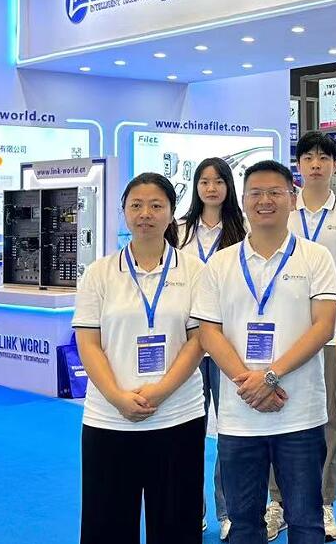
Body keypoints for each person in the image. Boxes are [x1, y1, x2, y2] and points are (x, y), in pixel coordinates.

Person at [192, 160, 336, 544]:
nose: (265, 200)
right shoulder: (221, 263)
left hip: (300, 413)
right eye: (256, 193)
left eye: (275, 192)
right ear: (243, 200)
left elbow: (323, 325)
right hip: (239, 416)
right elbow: (209, 332)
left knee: (306, 521)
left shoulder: (316, 257)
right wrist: (250, 383)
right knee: (244, 523)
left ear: (292, 199)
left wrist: (271, 376)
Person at [72, 173, 207, 544]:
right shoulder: (99, 273)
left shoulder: (195, 271)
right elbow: (88, 343)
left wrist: (160, 391)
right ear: (124, 212)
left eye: (156, 205)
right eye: (136, 205)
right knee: (107, 525)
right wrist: (117, 397)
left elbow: (198, 340)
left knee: (177, 524)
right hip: (109, 417)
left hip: (178, 414)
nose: (145, 213)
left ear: (171, 213)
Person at [268, 131, 336, 541]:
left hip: (333, 333)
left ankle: (324, 501)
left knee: (331, 419)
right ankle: (277, 502)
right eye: (307, 157)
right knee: (278, 414)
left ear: (335, 165)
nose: (315, 164)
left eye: (323, 157)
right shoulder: (282, 209)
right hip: (285, 333)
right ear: (298, 165)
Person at [177, 157, 249, 541]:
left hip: (227, 342)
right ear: (196, 187)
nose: (211, 188)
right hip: (189, 343)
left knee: (231, 432)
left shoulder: (243, 229)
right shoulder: (179, 230)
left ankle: (229, 510)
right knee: (188, 430)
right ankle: (193, 508)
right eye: (204, 181)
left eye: (218, 181)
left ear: (228, 186)